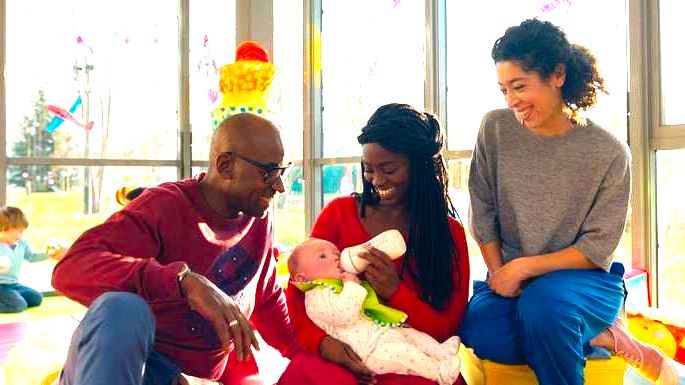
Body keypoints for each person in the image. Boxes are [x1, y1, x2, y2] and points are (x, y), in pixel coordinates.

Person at [460, 18, 678, 385]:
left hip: (584, 282)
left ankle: (593, 329)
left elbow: (597, 247)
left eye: (519, 86)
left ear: (557, 75)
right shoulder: (495, 129)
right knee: (480, 329)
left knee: (544, 312)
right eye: (503, 90)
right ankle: (604, 338)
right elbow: (482, 209)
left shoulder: (608, 152)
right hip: (512, 278)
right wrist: (501, 272)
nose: (512, 101)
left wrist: (524, 268)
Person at [50, 113, 329, 385]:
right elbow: (70, 270)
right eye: (268, 173)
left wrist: (316, 356)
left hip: (197, 378)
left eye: (281, 172)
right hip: (135, 367)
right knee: (121, 307)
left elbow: (267, 298)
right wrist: (184, 282)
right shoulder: (163, 206)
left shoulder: (258, 218)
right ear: (225, 165)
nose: (278, 186)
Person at [286, 103, 471, 385]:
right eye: (368, 169)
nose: (376, 180)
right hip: (338, 354)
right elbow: (297, 295)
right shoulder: (339, 214)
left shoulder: (448, 235)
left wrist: (396, 292)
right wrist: (324, 344)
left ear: (420, 167)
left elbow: (447, 326)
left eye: (388, 168)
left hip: (406, 359)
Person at [288, 237, 461, 385]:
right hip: (370, 352)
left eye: (336, 254)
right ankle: (439, 372)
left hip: (380, 336)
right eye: (323, 256)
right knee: (405, 355)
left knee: (412, 336)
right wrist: (352, 285)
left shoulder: (336, 285)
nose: (335, 258)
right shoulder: (317, 294)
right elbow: (344, 314)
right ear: (302, 278)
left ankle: (440, 351)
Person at [0, 206, 64, 313]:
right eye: (18, 232)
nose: (20, 236)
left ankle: (12, 298)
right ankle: (13, 300)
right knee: (19, 305)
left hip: (13, 285)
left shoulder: (22, 242)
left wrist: (49, 254)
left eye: (22, 232)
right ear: (4, 228)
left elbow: (31, 256)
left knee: (36, 298)